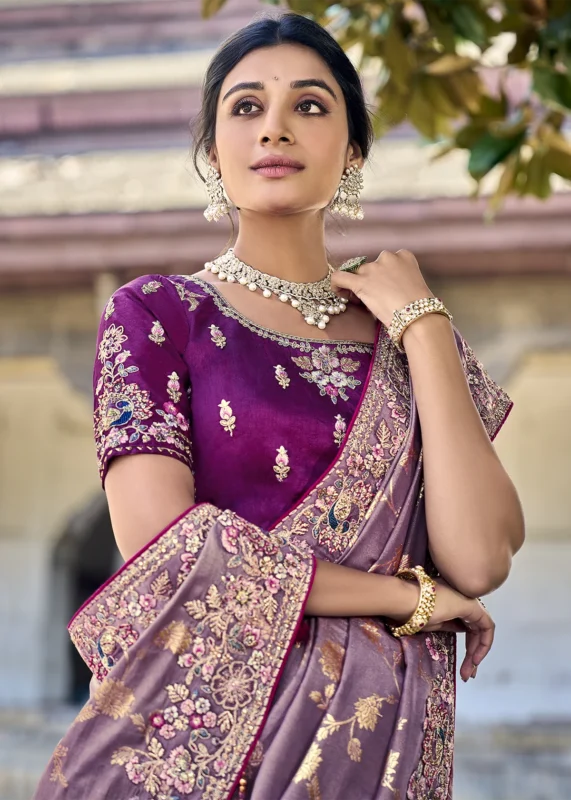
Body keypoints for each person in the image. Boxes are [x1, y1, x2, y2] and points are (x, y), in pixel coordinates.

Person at [33, 12, 524, 800]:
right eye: (246, 107)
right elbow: (168, 549)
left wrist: (424, 326)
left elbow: (480, 558)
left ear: (353, 151)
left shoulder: (411, 335)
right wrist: (407, 596)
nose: (275, 129)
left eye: (310, 105)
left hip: (376, 747)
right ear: (212, 154)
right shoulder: (159, 316)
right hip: (196, 747)